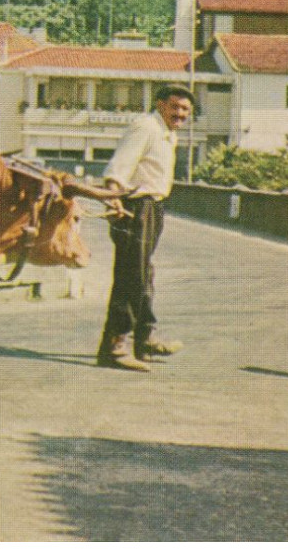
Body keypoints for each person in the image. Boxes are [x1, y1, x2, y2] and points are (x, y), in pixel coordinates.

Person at [71, 84, 194, 371]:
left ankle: (144, 338)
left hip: (153, 207)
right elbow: (118, 168)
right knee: (131, 277)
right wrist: (114, 201)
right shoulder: (146, 127)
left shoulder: (167, 133)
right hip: (134, 208)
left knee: (144, 275)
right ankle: (115, 346)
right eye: (175, 107)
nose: (180, 114)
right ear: (161, 104)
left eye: (186, 110)